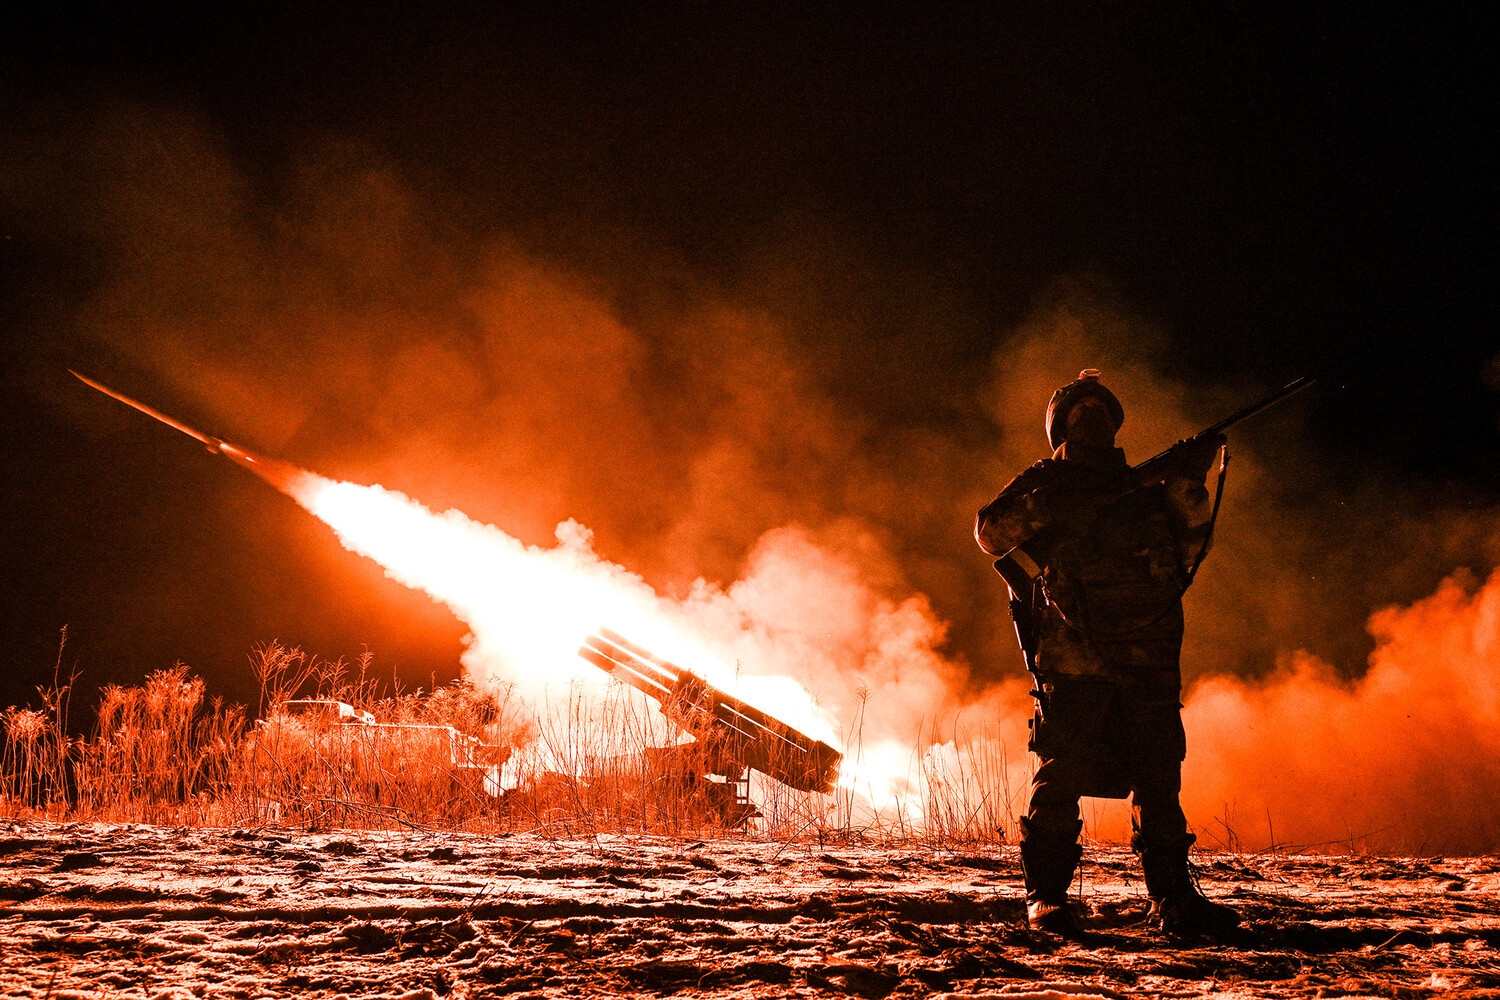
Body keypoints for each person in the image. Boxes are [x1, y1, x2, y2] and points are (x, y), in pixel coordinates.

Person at [975, 369, 1241, 937]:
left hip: (1148, 656)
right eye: (1078, 411)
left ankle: (1173, 899)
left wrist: (1189, 484)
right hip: (1075, 656)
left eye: (1099, 409)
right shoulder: (1046, 480)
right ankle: (1046, 897)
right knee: (1062, 774)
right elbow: (991, 533)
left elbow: (1192, 544)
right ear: (1060, 426)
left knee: (1159, 780)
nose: (1090, 419)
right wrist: (1055, 506)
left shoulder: (1146, 488)